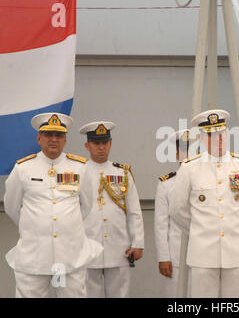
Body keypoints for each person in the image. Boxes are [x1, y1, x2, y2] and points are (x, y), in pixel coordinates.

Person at [4, 112, 103, 298]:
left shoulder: (80, 167)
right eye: (49, 135)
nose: (54, 140)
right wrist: (36, 227)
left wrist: (65, 225)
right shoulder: (23, 168)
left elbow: (87, 205)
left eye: (59, 136)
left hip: (70, 255)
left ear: (65, 140)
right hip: (34, 255)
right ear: (39, 138)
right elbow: (12, 206)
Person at [171, 109, 239, 297]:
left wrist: (232, 226)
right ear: (202, 139)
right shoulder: (189, 168)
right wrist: (201, 228)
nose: (218, 139)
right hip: (202, 253)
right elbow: (178, 210)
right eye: (211, 135)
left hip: (236, 252)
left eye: (221, 133)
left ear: (227, 134)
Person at [79, 121, 145, 298]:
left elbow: (134, 211)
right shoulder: (79, 172)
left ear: (110, 144)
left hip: (118, 248)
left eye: (104, 143)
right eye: (96, 143)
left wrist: (137, 243)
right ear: (87, 145)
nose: (101, 147)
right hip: (88, 245)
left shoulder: (123, 173)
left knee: (120, 294)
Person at [154, 129, 190, 297]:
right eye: (183, 150)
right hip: (175, 256)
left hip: (204, 254)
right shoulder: (166, 184)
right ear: (177, 153)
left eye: (191, 149)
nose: (187, 154)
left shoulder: (209, 182)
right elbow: (161, 225)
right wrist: (163, 257)